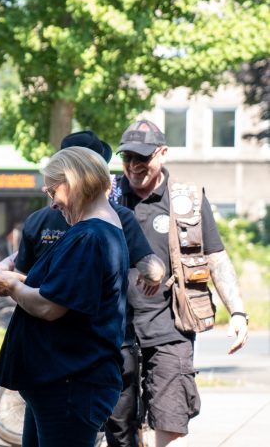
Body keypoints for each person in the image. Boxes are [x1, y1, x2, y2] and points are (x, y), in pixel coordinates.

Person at [0, 131, 165, 447]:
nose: (52, 202)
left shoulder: (90, 236)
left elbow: (50, 306)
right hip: (63, 383)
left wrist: (11, 286)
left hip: (69, 385)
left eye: (52, 190)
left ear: (71, 182)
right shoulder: (104, 228)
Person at [112, 120, 249, 447]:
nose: (133, 166)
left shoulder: (186, 199)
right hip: (116, 327)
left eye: (142, 158)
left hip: (170, 326)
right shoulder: (111, 196)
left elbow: (215, 257)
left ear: (162, 153)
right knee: (118, 423)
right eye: (127, 158)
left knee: (171, 413)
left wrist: (238, 312)